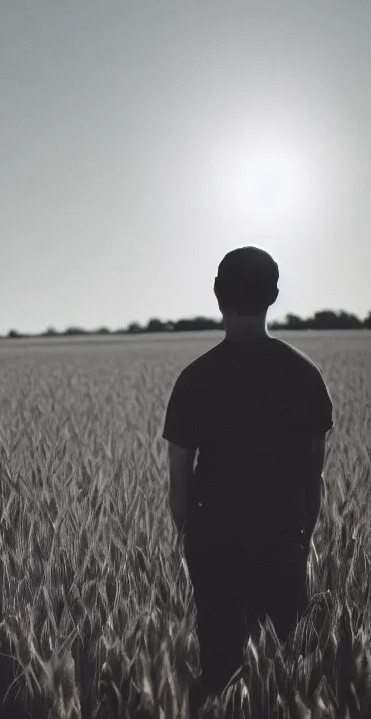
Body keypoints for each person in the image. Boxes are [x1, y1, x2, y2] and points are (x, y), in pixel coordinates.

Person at [162, 246, 334, 701]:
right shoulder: (305, 376)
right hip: (281, 541)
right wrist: (303, 540)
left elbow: (180, 475)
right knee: (280, 680)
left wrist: (189, 543)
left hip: (213, 547)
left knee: (218, 675)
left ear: (217, 295)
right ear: (274, 296)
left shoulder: (194, 379)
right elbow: (312, 475)